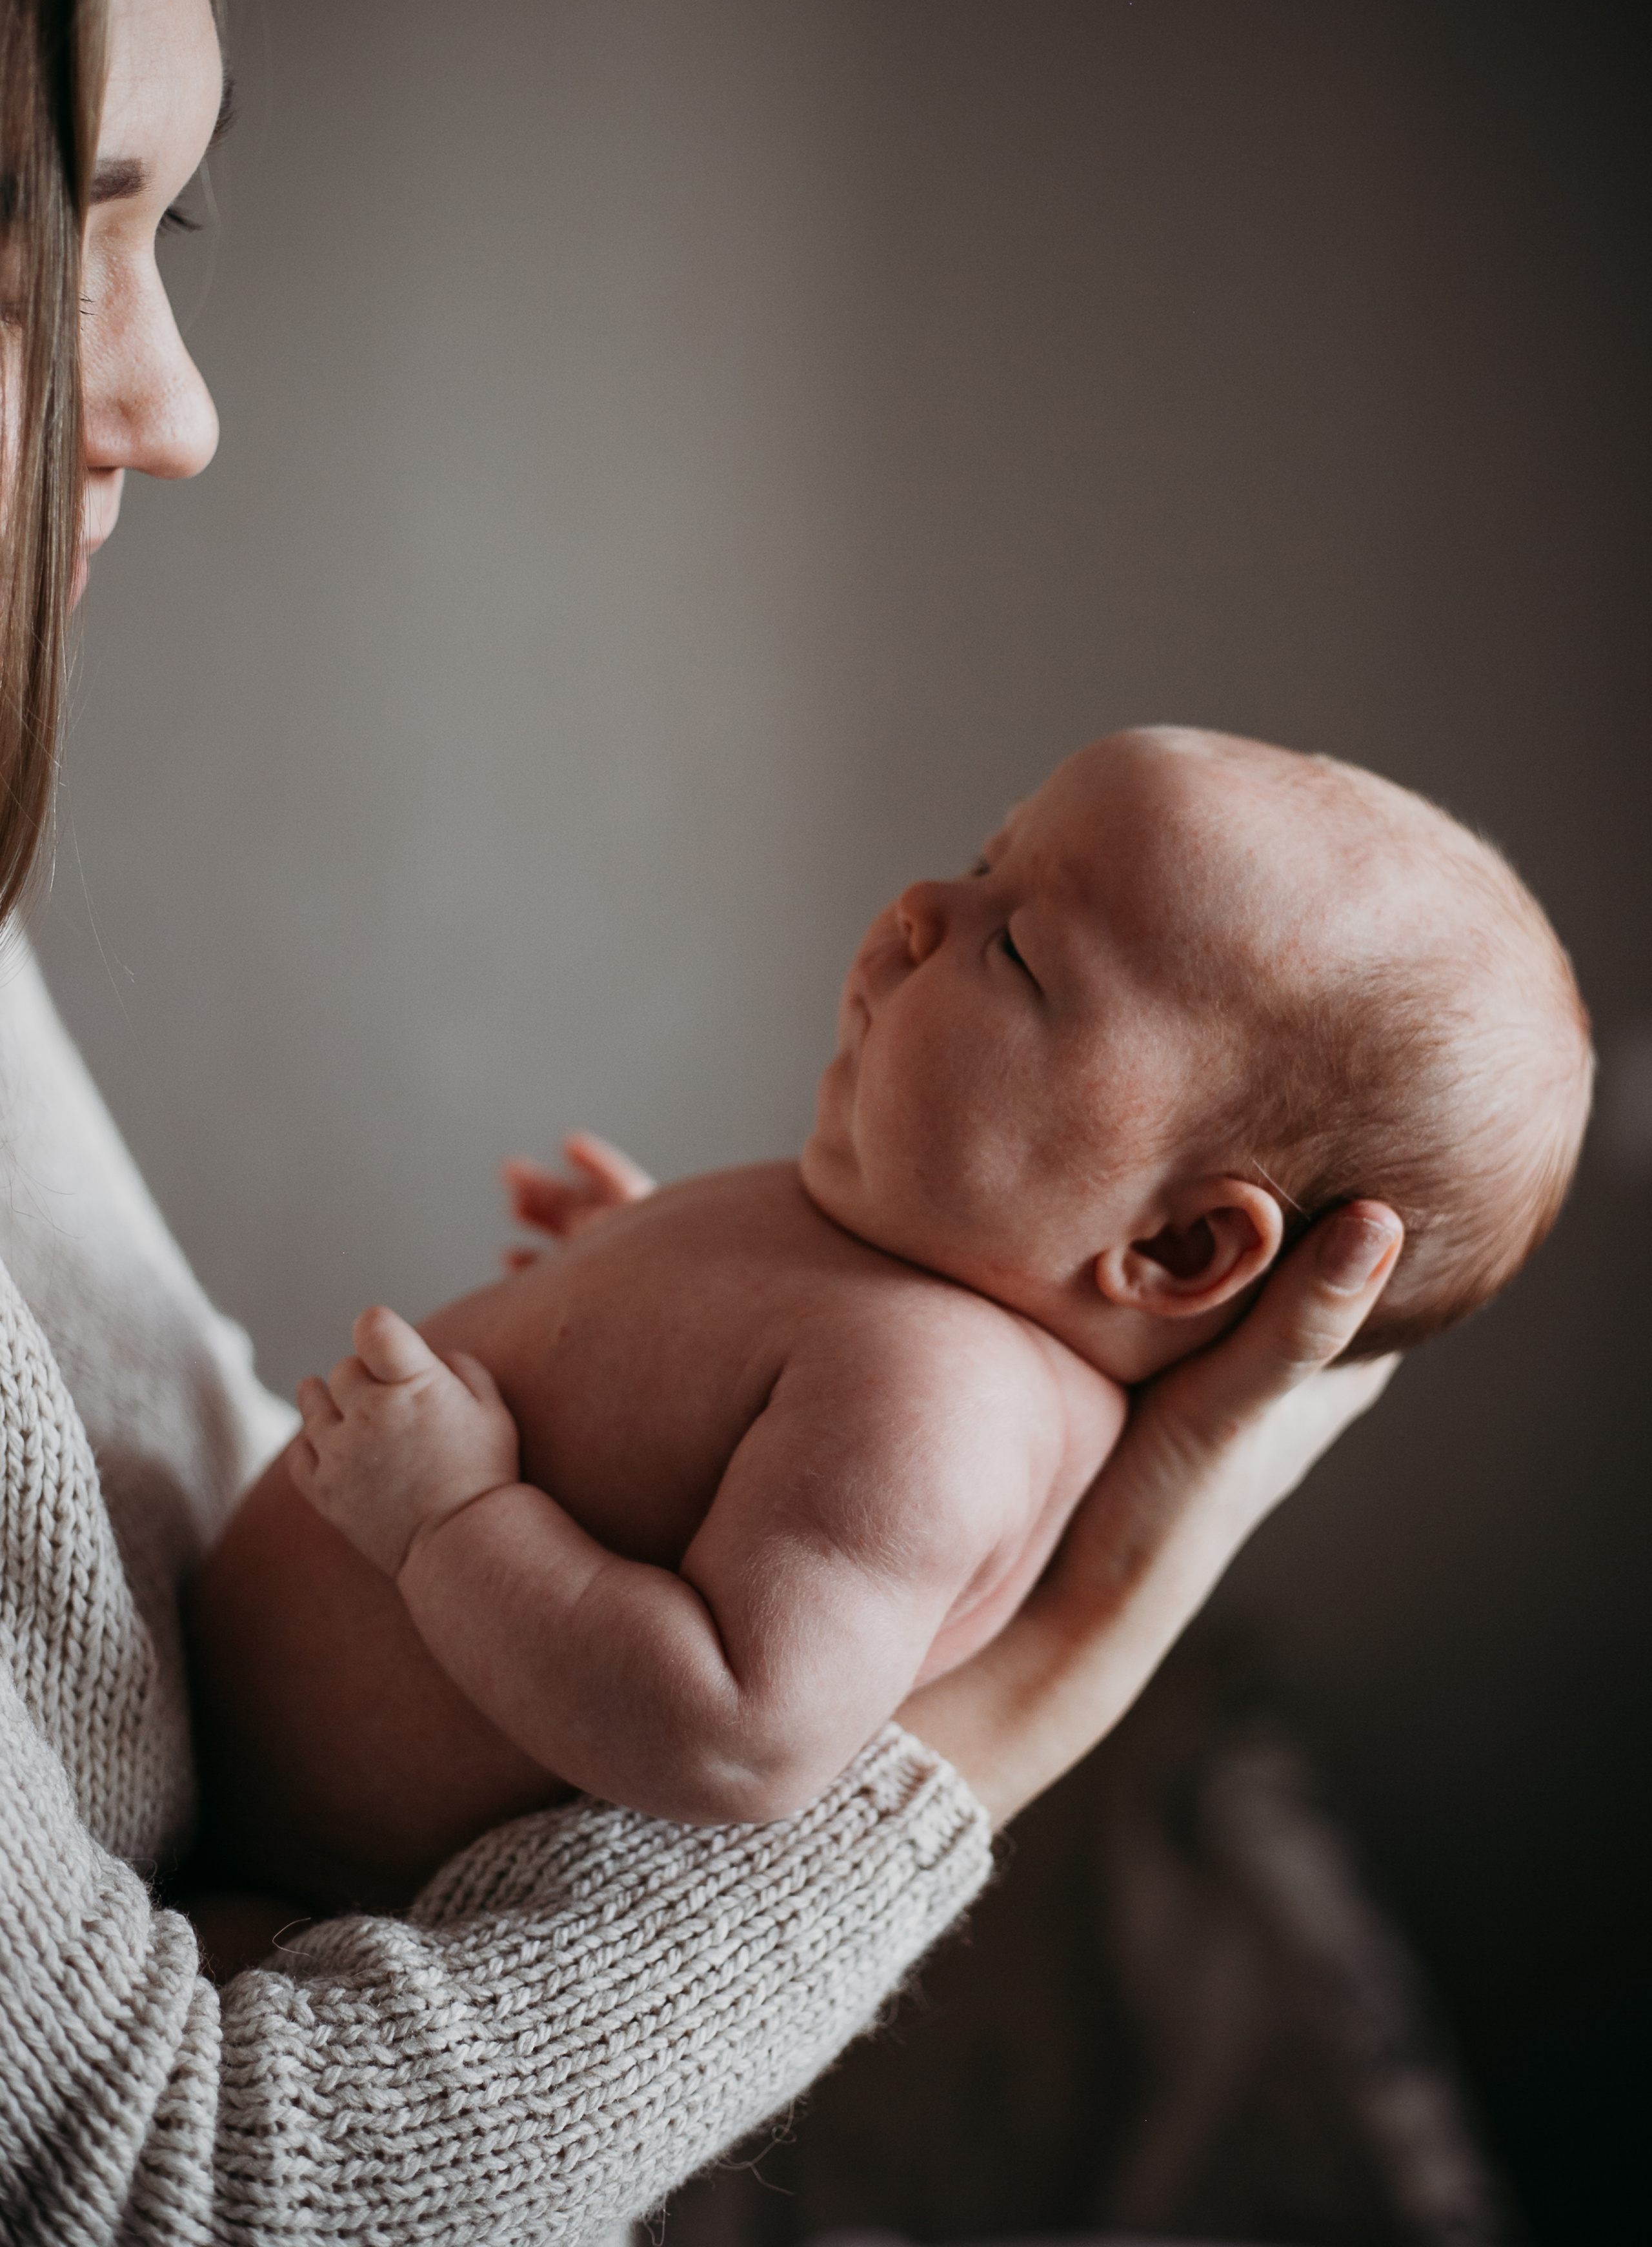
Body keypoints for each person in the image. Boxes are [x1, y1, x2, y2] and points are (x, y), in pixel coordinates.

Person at [0, 0, 1404, 2237]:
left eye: (157, 223)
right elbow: (169, 2186)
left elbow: (680, 1713)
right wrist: (1040, 1678)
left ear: (1190, 1251)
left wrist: (566, 1432)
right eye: (25, 255)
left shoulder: (948, 1390)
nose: (181, 405)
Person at [188, 727, 1587, 1926]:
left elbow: (736, 1732)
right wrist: (635, 1285)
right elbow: (708, 1453)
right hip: (212, 1765)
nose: (924, 906)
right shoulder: (896, 1283)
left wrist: (447, 1517)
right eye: (985, 862)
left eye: (1025, 953)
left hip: (305, 1900)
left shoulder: (947, 1400)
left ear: (1171, 1245)